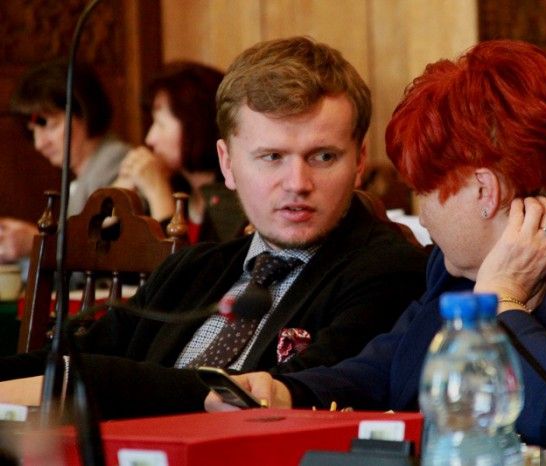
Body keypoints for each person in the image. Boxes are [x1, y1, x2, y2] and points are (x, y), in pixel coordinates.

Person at [216, 40, 546, 448]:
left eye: (423, 191)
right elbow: (390, 367)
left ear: (484, 191)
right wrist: (287, 393)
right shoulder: (459, 264)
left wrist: (502, 301)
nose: (423, 214)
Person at [0, 36, 428, 420]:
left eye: (323, 157)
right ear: (227, 163)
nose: (298, 183)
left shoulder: (385, 270)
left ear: (359, 161)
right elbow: (71, 354)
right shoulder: (193, 268)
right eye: (272, 157)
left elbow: (266, 398)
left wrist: (83, 380)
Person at [0, 60, 130, 264]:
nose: (39, 144)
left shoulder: (118, 162)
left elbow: (99, 255)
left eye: (50, 125)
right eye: (33, 131)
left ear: (84, 111)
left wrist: (38, 242)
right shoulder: (85, 173)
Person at [113, 62, 247, 243]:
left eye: (160, 124)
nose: (150, 139)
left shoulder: (233, 197)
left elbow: (181, 261)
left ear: (196, 125)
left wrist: (158, 191)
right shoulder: (177, 186)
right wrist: (121, 194)